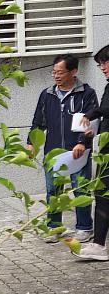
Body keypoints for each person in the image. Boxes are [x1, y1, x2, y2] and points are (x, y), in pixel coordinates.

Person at [27, 54, 98, 242]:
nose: (56, 76)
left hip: (78, 150)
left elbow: (92, 120)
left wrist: (83, 142)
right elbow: (38, 122)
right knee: (53, 190)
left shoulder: (86, 93)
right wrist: (31, 143)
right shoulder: (47, 94)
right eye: (54, 72)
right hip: (53, 150)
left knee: (80, 188)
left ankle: (84, 227)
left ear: (73, 71)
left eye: (60, 72)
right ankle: (54, 227)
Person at [75, 44, 109, 261]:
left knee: (103, 194)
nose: (103, 68)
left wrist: (92, 112)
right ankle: (98, 243)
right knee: (103, 195)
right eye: (100, 65)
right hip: (106, 150)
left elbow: (106, 109)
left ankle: (98, 244)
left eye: (105, 63)